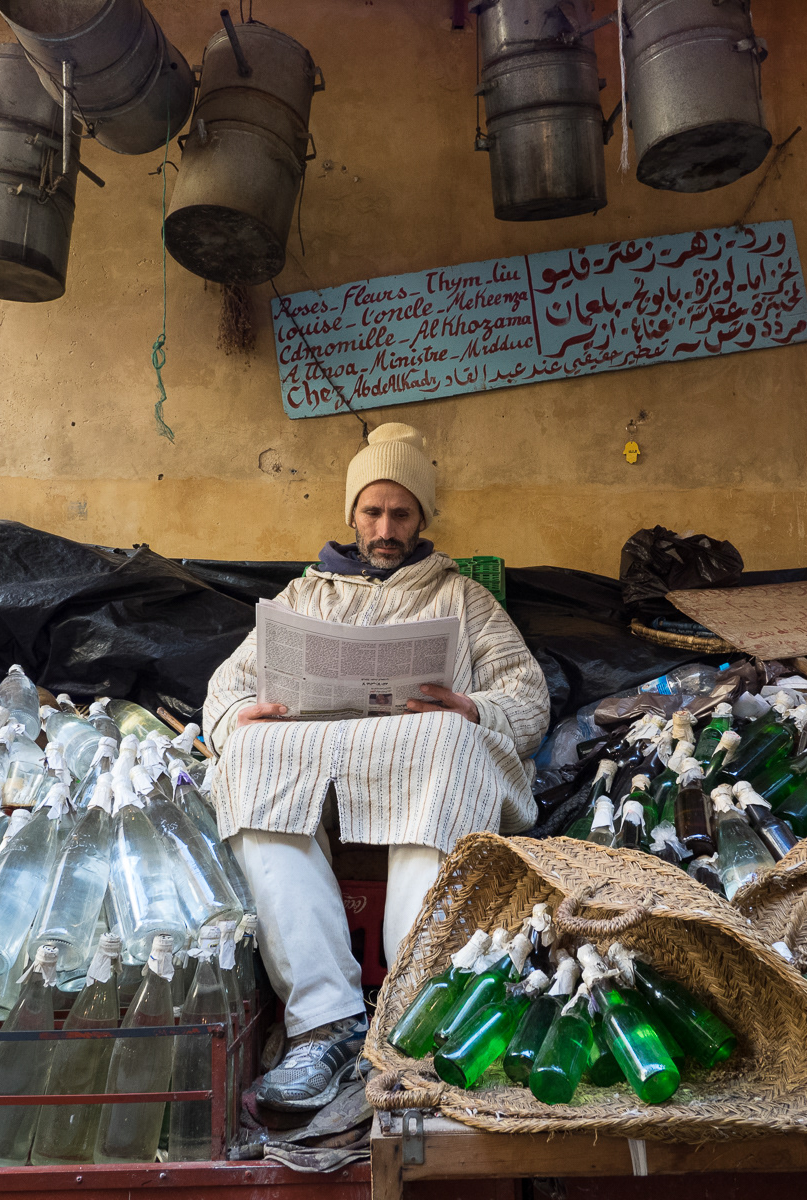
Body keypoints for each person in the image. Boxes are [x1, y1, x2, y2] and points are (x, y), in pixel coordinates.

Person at [202, 422, 550, 1110]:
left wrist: (471, 706)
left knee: (443, 742)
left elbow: (528, 696)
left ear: (422, 518)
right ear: (352, 515)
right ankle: (325, 1025)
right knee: (245, 752)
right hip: (318, 757)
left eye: (401, 513)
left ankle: (413, 1016)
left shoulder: (463, 598)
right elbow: (226, 689)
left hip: (414, 761)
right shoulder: (304, 596)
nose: (385, 528)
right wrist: (240, 713)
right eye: (372, 512)